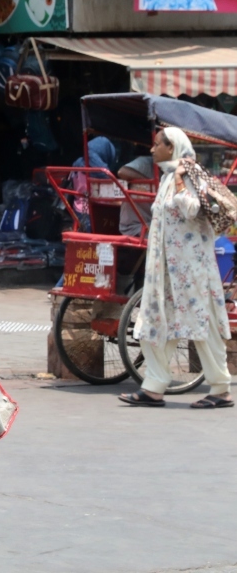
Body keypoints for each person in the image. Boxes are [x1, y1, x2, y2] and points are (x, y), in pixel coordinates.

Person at [119, 128, 233, 409]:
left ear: (172, 148)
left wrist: (182, 180)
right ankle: (154, 387)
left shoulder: (189, 174)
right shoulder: (168, 176)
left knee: (203, 328)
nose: (152, 149)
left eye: (157, 144)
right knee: (158, 324)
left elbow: (192, 210)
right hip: (168, 271)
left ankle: (220, 390)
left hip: (193, 269)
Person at [116, 155, 155, 238]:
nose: (152, 150)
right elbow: (122, 172)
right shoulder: (146, 163)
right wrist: (151, 183)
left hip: (153, 224)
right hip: (136, 226)